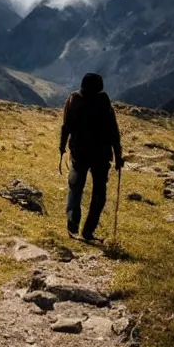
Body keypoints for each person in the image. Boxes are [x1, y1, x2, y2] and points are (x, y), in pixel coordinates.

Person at [60, 73, 124, 243]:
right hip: (101, 156)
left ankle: (73, 225)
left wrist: (62, 147)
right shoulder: (104, 102)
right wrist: (118, 155)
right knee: (98, 195)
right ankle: (87, 231)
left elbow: (66, 126)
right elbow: (113, 131)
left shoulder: (74, 100)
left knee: (75, 188)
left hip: (80, 154)